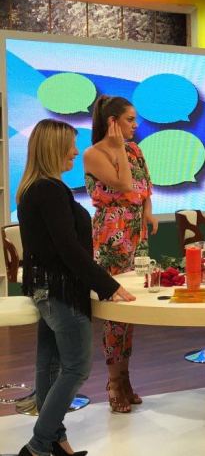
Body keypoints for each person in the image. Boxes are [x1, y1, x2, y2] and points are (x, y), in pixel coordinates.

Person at [17, 119, 135, 456]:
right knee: (76, 368)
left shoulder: (35, 188)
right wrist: (107, 285)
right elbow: (67, 248)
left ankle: (56, 443)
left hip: (47, 289)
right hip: (61, 290)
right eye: (70, 145)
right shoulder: (50, 190)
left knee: (50, 367)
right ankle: (38, 446)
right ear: (54, 148)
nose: (74, 151)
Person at [83, 95, 158, 413]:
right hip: (112, 237)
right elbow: (125, 183)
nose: (135, 125)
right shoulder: (94, 153)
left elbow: (145, 186)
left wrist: (148, 211)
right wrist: (116, 149)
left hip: (137, 234)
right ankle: (114, 381)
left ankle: (126, 379)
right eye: (129, 119)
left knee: (132, 308)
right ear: (112, 122)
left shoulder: (135, 150)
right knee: (116, 311)